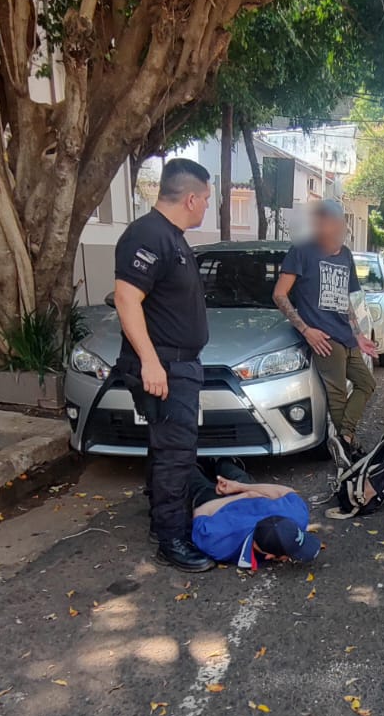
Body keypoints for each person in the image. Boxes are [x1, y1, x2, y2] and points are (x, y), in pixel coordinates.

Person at [113, 158, 215, 572]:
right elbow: (126, 299)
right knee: (176, 453)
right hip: (165, 368)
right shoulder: (148, 234)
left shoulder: (172, 236)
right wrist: (151, 363)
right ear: (190, 198)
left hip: (179, 365)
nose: (207, 206)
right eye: (206, 199)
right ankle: (172, 539)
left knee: (167, 449)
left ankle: (163, 520)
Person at [273, 199, 378, 457]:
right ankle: (347, 450)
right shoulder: (302, 251)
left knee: (367, 383)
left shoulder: (345, 254)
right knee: (338, 395)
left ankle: (344, 438)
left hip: (346, 335)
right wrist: (306, 330)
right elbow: (279, 295)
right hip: (324, 338)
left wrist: (359, 334)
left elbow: (345, 299)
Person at [189, 473, 321, 569]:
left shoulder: (297, 516)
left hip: (235, 501)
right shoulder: (219, 544)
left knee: (211, 479)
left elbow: (201, 512)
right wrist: (240, 490)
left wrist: (241, 492)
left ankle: (218, 465)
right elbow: (286, 491)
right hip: (232, 498)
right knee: (210, 480)